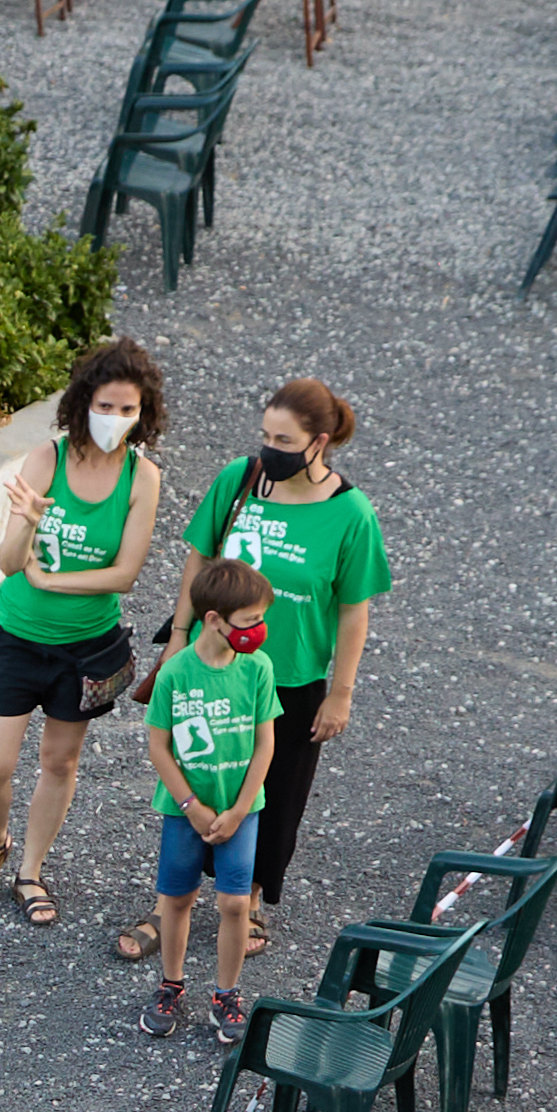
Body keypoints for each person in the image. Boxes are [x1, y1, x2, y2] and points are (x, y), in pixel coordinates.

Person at [117, 379, 384, 967]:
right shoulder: (240, 480)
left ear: (319, 442)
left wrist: (340, 692)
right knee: (193, 776)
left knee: (273, 793)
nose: (269, 449)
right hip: (211, 664)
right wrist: (180, 640)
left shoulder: (351, 514)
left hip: (289, 677)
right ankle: (172, 904)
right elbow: (199, 557)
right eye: (264, 435)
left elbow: (353, 608)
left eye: (282, 439)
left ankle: (250, 896)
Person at [0, 340, 172, 932]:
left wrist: (52, 581)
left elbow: (126, 574)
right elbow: (9, 564)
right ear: (83, 401)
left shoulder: (142, 477)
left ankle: (31, 869)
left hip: (87, 646)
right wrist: (28, 525)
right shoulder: (45, 460)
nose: (116, 420)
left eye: (128, 411)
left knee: (60, 760)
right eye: (106, 406)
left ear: (144, 413)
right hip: (18, 637)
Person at [143, 558, 285, 1036]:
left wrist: (240, 809)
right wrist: (192, 807)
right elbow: (158, 746)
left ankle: (226, 995)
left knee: (234, 905)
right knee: (177, 899)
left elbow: (266, 742)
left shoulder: (258, 668)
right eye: (248, 622)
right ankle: (172, 984)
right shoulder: (175, 673)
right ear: (214, 621)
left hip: (241, 812)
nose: (258, 631)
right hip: (184, 811)